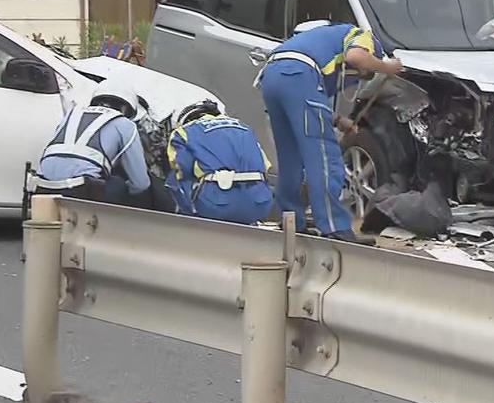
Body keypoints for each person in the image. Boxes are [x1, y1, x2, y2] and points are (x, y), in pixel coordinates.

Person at [257, 21, 402, 243]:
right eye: (363, 75)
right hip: (299, 74)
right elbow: (356, 57)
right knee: (324, 157)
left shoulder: (321, 41)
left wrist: (337, 120)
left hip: (272, 76)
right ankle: (334, 227)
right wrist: (387, 67)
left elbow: (304, 101)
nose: (358, 79)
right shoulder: (362, 36)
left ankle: (291, 223)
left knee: (290, 158)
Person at [32, 79, 165, 210]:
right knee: (122, 185)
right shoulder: (125, 124)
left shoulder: (71, 114)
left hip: (43, 186)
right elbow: (140, 184)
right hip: (82, 190)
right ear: (126, 108)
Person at [165, 100, 274, 225]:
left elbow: (182, 170)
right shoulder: (245, 128)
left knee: (173, 178)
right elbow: (265, 166)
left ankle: (188, 223)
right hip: (260, 203)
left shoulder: (183, 132)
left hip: (217, 205)